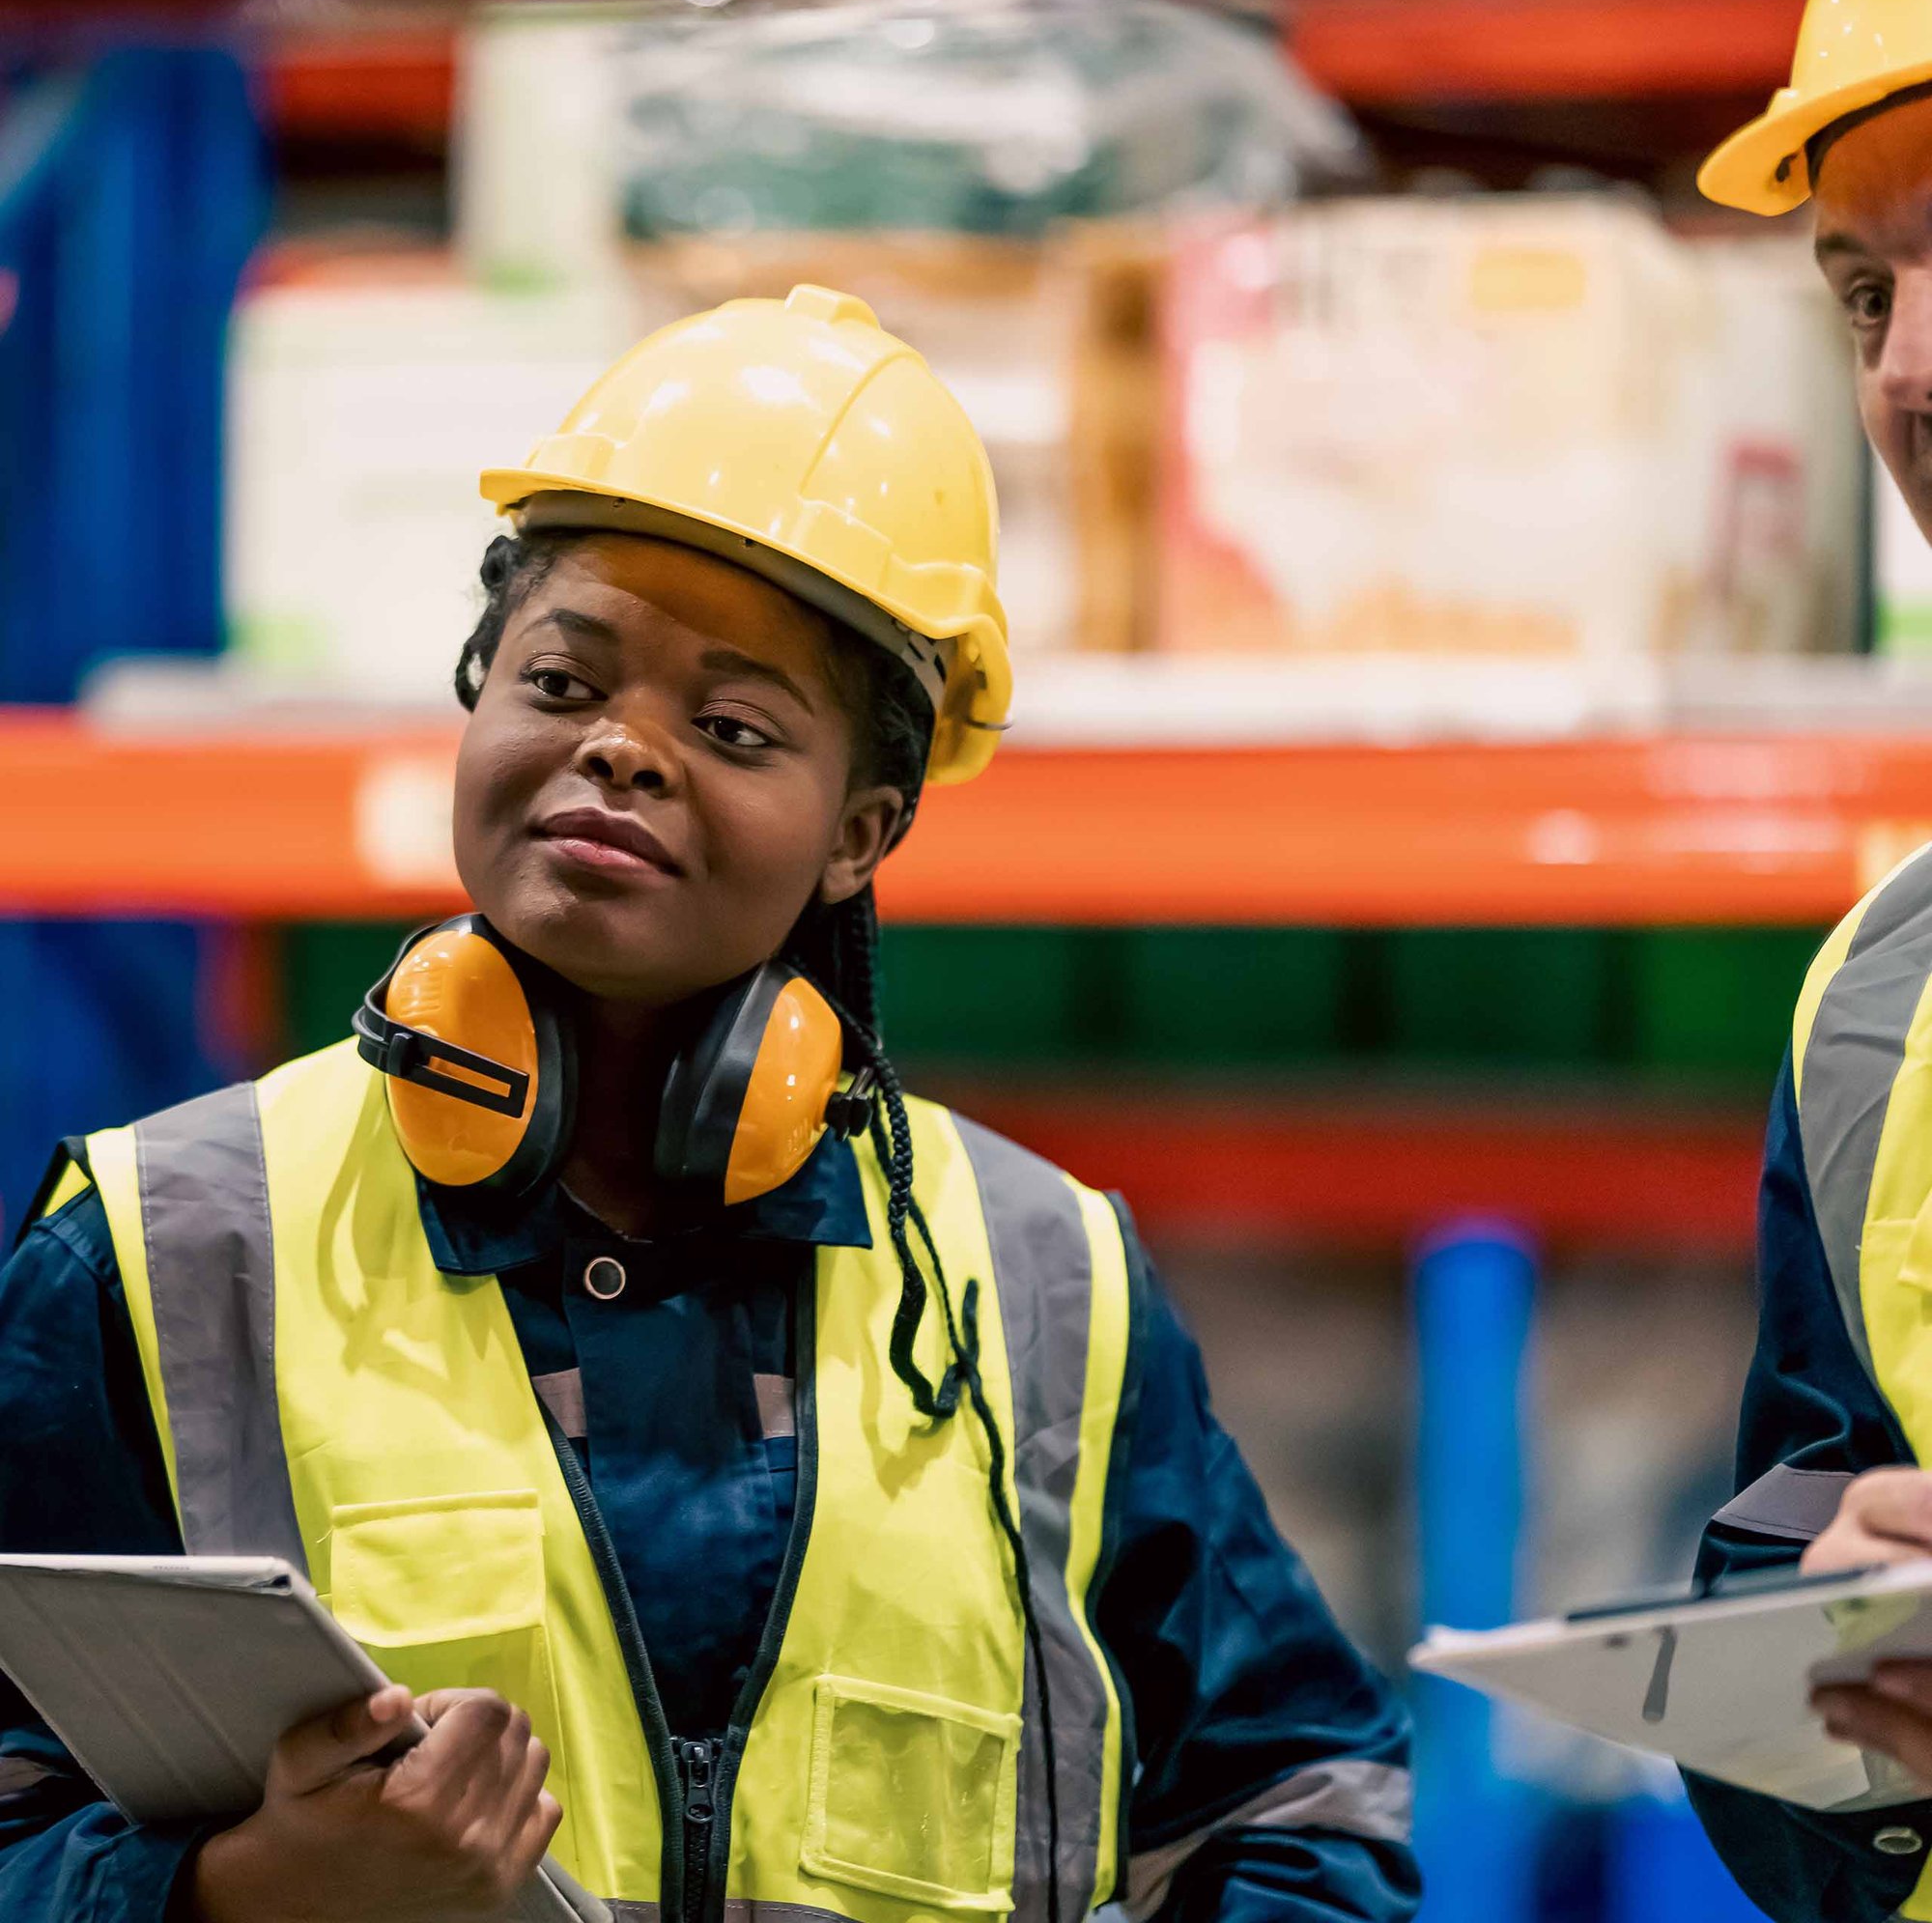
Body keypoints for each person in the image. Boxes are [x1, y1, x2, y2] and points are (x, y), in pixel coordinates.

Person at [0, 287, 1418, 1923]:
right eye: (559, 681)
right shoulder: (163, 1253)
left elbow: (1302, 1812)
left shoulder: (1045, 1295)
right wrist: (233, 1894)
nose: (621, 751)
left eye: (732, 727)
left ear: (860, 834)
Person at [1691, 1, 1932, 1917]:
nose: (1909, 369)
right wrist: (1824, 1654)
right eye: (1864, 295)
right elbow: (1784, 1517)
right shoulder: (1877, 993)